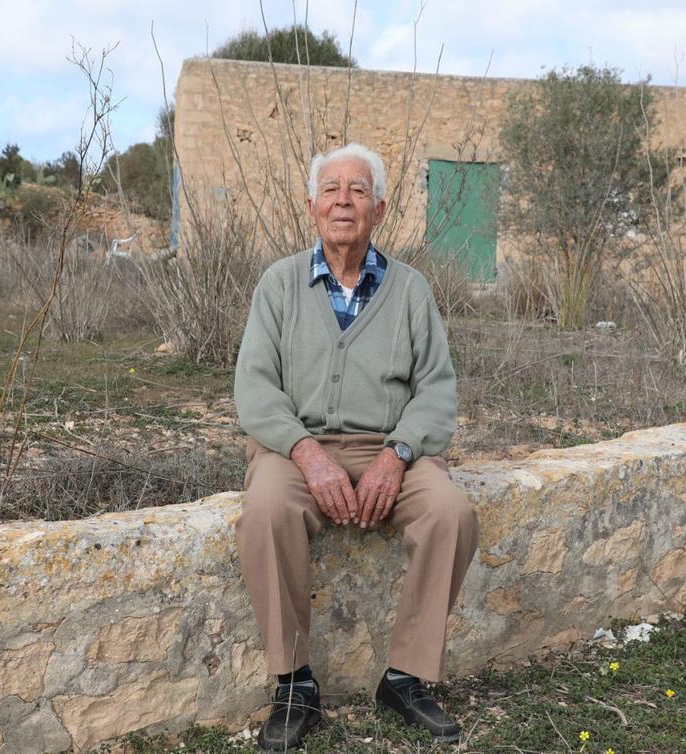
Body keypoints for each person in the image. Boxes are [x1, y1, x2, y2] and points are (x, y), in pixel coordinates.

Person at [234, 143, 479, 751]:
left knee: (452, 513)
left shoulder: (412, 289)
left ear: (380, 208)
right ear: (312, 204)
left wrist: (398, 455)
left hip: (393, 446)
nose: (344, 200)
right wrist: (306, 453)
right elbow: (255, 387)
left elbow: (436, 391)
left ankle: (406, 676)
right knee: (266, 511)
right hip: (296, 449)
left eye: (359, 190)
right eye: (332, 189)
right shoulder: (279, 284)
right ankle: (294, 684)